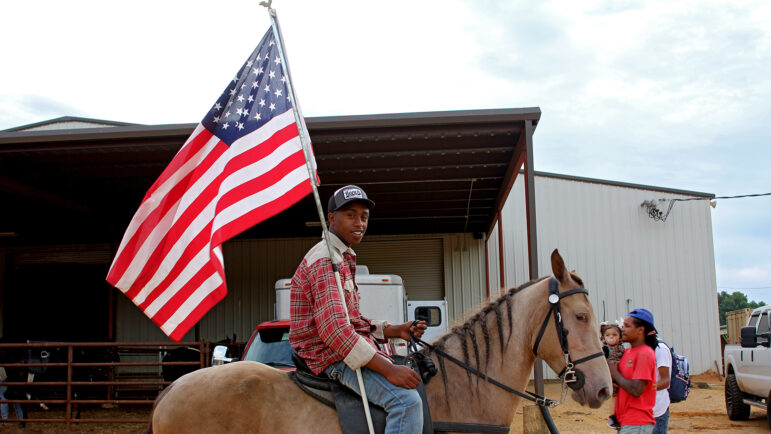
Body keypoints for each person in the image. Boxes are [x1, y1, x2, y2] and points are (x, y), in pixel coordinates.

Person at [289, 185, 428, 434]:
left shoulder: (342, 257)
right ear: (331, 218)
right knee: (407, 403)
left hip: (336, 349)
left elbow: (352, 320)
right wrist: (390, 369)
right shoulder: (325, 260)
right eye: (351, 215)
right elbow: (335, 332)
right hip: (329, 356)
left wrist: (396, 330)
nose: (360, 223)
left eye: (364, 217)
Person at [608, 309, 658, 434]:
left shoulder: (644, 353)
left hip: (637, 422)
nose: (622, 329)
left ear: (640, 330)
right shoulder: (627, 353)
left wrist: (614, 372)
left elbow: (636, 390)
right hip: (626, 421)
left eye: (627, 326)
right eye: (623, 326)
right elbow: (624, 382)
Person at [601, 321, 625, 429]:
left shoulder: (622, 348)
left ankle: (620, 416)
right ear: (603, 337)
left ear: (620, 337)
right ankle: (612, 417)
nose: (611, 337)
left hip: (621, 376)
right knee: (615, 397)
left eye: (614, 335)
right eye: (608, 335)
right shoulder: (605, 350)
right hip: (612, 377)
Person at [652, 337, 672, 433]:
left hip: (657, 409)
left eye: (628, 326)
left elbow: (665, 381)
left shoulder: (660, 349)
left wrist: (642, 388)